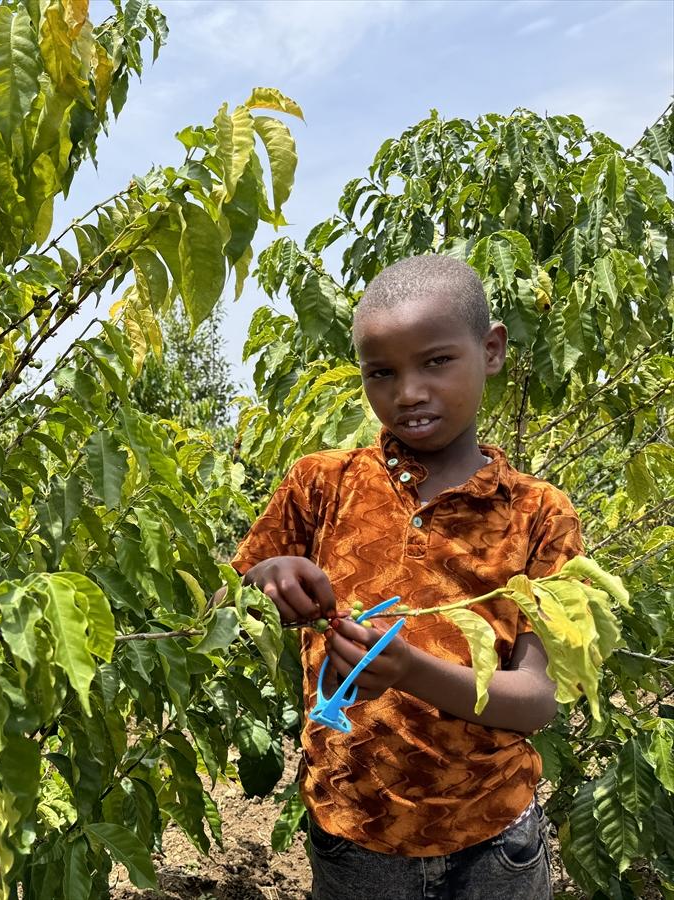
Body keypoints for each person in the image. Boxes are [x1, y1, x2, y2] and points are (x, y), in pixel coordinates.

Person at [227, 255, 582, 899]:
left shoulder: (538, 514)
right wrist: (269, 576)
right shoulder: (322, 485)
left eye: (436, 361)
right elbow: (233, 599)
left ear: (492, 349)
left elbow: (536, 700)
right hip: (354, 836)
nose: (409, 392)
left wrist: (410, 669)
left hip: (492, 840)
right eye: (382, 373)